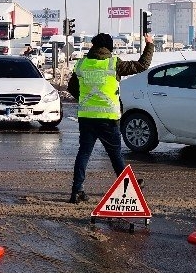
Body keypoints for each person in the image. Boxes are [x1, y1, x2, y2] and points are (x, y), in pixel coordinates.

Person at [66, 32, 154, 204]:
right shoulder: (114, 64)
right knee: (115, 155)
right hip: (108, 118)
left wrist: (85, 99)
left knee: (83, 153)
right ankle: (130, 186)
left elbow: (71, 88)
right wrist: (149, 44)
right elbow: (143, 65)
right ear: (109, 47)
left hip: (86, 117)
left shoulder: (82, 64)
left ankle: (77, 191)